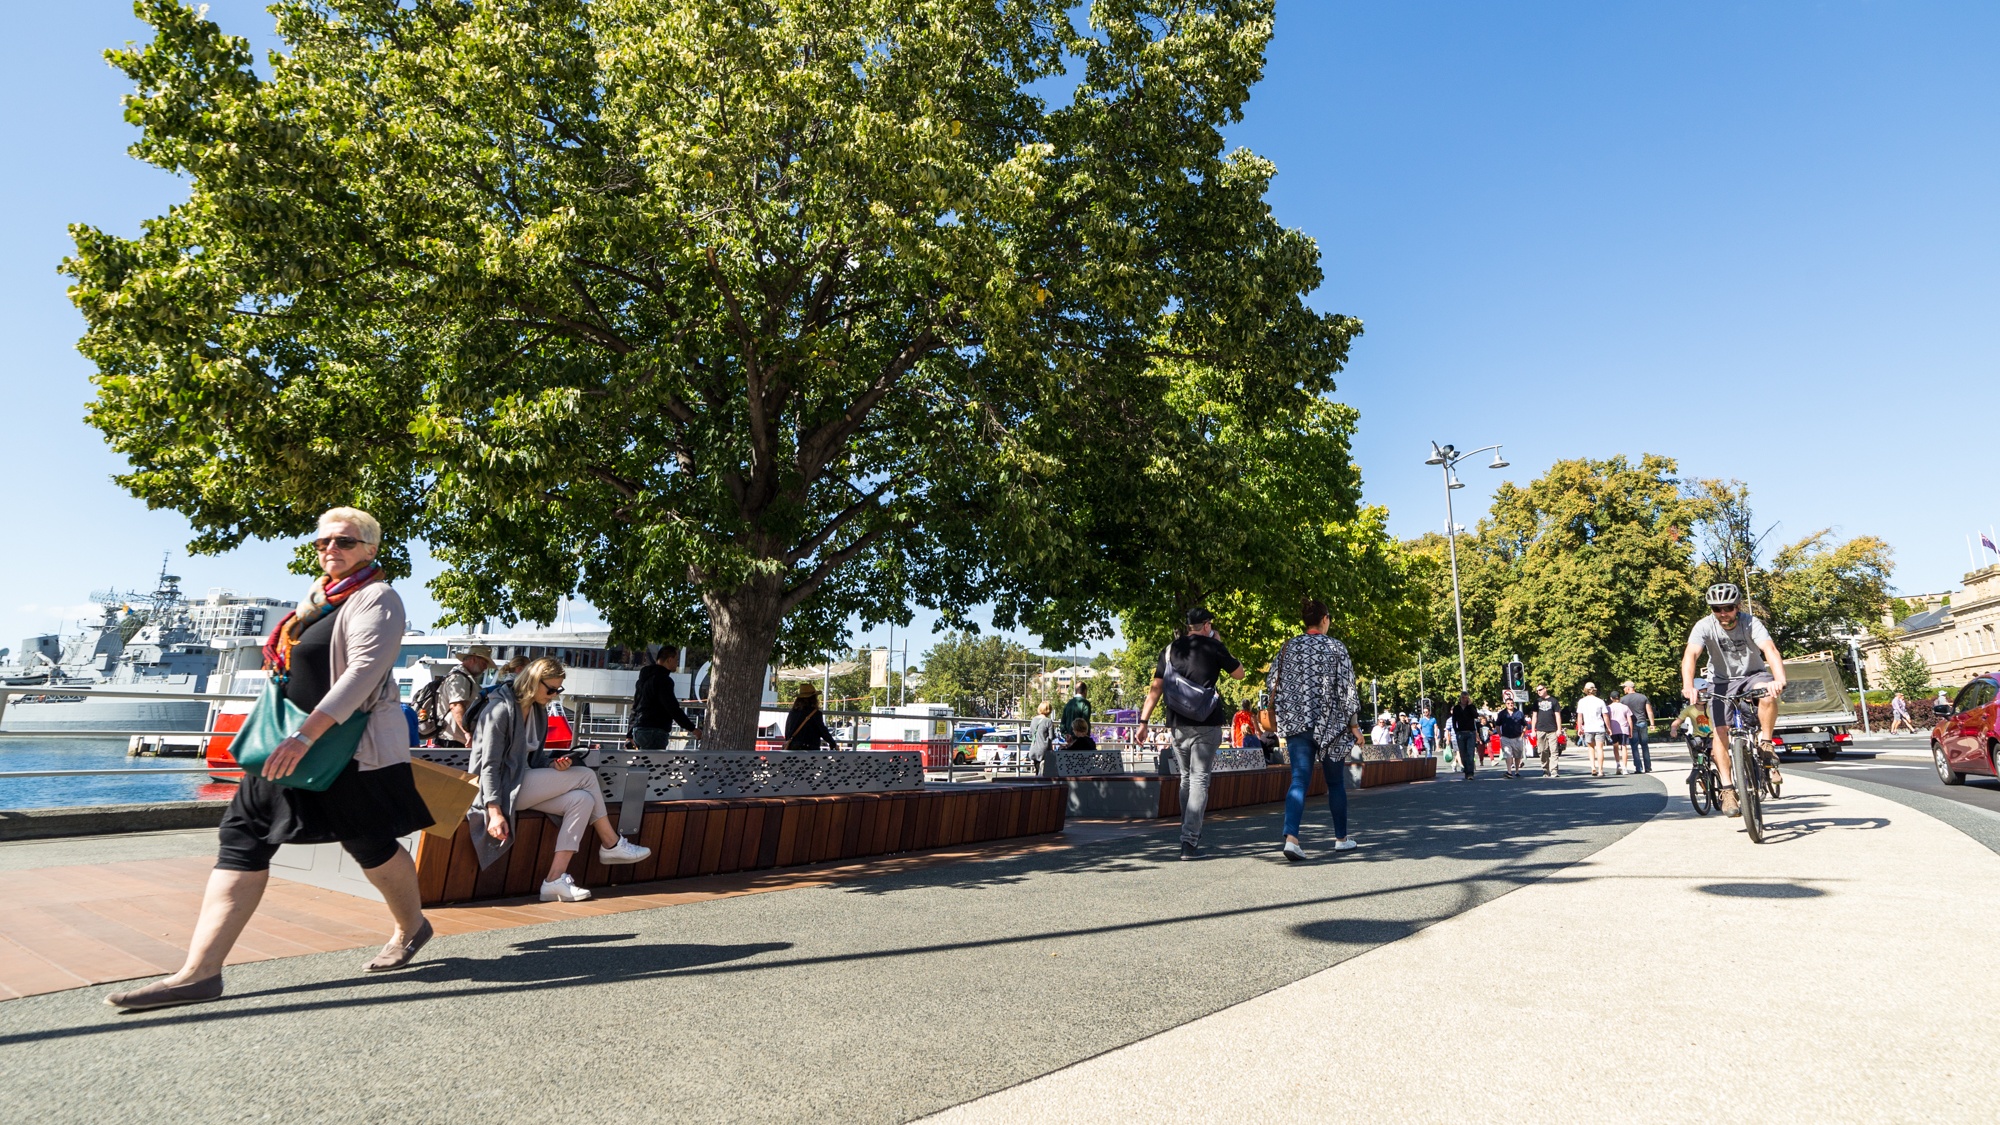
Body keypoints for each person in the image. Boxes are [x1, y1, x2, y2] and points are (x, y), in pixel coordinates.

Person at [107, 508, 438, 1010]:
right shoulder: (315, 602)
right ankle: (199, 973)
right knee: (243, 837)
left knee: (368, 840)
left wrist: (305, 736)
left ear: (370, 549)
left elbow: (364, 672)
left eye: (345, 542)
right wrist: (291, 734)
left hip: (341, 747)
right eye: (323, 542)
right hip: (284, 743)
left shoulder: (378, 597)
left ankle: (411, 927)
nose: (331, 549)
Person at [468, 657, 651, 902]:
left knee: (582, 800)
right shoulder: (500, 710)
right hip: (500, 790)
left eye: (558, 690)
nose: (554, 695)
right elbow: (488, 765)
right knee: (586, 776)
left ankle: (554, 879)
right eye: (551, 689)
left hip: (521, 783)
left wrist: (553, 765)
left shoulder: (537, 710)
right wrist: (495, 811)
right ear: (534, 681)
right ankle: (611, 843)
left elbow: (534, 758)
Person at [1135, 608, 1246, 860]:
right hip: (1207, 722)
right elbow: (1239, 673)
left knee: (1186, 778)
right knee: (1199, 780)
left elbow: (1156, 688)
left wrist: (1143, 722)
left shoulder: (1169, 650)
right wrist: (1221, 645)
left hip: (1178, 724)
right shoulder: (1214, 647)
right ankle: (1189, 840)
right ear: (1206, 625)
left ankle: (1188, 834)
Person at [1681, 582, 1789, 816]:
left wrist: (1779, 679)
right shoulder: (1704, 626)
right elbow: (1691, 654)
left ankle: (1766, 743)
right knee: (1720, 731)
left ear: (1737, 607)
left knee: (1767, 692)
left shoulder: (1751, 623)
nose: (1723, 613)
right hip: (1720, 681)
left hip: (1752, 675)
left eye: (1728, 608)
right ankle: (1728, 790)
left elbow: (1769, 649)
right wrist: (1688, 686)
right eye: (1717, 609)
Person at [1267, 598, 1361, 861]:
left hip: (1297, 722)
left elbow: (1271, 681)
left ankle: (1291, 839)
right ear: (1325, 619)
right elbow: (1348, 690)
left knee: (1299, 780)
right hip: (1331, 726)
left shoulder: (1288, 647)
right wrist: (1354, 726)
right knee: (1335, 782)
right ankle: (1341, 839)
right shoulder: (1336, 647)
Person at [630, 646, 699, 750]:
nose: (677, 663)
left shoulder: (644, 679)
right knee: (655, 759)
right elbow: (672, 707)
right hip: (655, 730)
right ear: (669, 660)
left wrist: (629, 733)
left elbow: (636, 704)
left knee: (645, 759)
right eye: (676, 660)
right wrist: (692, 729)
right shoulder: (664, 680)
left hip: (639, 729)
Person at [433, 644, 492, 747]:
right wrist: (467, 733)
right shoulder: (459, 678)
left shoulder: (464, 677)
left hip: (456, 738)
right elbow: (456, 706)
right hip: (454, 739)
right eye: (484, 663)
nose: (485, 667)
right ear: (474, 659)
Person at [784, 682, 839, 752]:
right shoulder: (815, 714)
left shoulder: (793, 713)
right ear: (813, 699)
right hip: (810, 749)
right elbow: (823, 731)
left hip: (793, 749)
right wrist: (833, 743)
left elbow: (787, 732)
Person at [1575, 682, 1610, 777]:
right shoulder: (1600, 701)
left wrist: (1580, 727)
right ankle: (1601, 770)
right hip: (1599, 727)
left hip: (1588, 728)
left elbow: (1580, 716)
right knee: (1600, 749)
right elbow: (1605, 715)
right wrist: (1608, 727)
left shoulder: (1582, 701)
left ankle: (1593, 767)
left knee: (1591, 748)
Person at [1619, 680, 1655, 773]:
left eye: (1624, 687)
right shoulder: (1643, 697)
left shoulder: (1623, 700)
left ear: (1628, 688)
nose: (1623, 689)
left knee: (1634, 746)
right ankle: (1648, 767)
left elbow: (1622, 713)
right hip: (1642, 722)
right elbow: (1649, 711)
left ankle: (1638, 768)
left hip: (1632, 724)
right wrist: (1652, 724)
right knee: (1644, 746)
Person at [1531, 685, 1563, 776]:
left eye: (1540, 690)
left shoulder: (1554, 701)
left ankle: (1554, 770)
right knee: (1542, 751)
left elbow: (1557, 716)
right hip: (1540, 729)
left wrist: (1559, 729)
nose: (1539, 692)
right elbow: (1534, 716)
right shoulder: (1537, 702)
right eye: (1537, 691)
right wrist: (1533, 730)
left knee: (1554, 751)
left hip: (1552, 730)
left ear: (1545, 689)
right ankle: (1545, 769)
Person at [1448, 692, 1480, 780]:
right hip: (1460, 733)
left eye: (1466, 698)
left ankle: (1470, 773)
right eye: (1463, 697)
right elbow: (1454, 720)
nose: (1464, 699)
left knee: (1470, 753)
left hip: (1470, 732)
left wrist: (1470, 705)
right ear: (1460, 698)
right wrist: (1456, 731)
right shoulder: (1456, 708)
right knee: (1463, 754)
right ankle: (1466, 770)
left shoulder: (1471, 707)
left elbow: (1476, 715)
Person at [1495, 698, 1529, 777]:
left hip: (1517, 737)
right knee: (1508, 754)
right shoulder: (1502, 714)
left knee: (1518, 755)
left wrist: (1522, 735)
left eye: (1512, 703)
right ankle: (1509, 772)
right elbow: (1497, 725)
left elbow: (1525, 725)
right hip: (1506, 737)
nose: (1510, 704)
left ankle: (1517, 771)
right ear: (1505, 704)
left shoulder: (1519, 713)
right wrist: (1500, 735)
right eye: (1508, 703)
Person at [1606, 693, 1634, 776]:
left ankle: (1618, 764)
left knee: (1615, 747)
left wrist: (1608, 728)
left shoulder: (1608, 708)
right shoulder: (1625, 707)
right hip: (1624, 729)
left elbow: (1607, 719)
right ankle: (1625, 768)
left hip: (1613, 730)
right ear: (1619, 697)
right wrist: (1631, 731)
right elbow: (1630, 720)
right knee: (1624, 747)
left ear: (1611, 698)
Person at [1060, 684, 1093, 749]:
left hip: (1070, 740)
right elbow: (1085, 721)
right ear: (1085, 691)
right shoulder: (1085, 703)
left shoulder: (1068, 704)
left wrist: (1066, 735)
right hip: (1082, 740)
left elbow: (1063, 722)